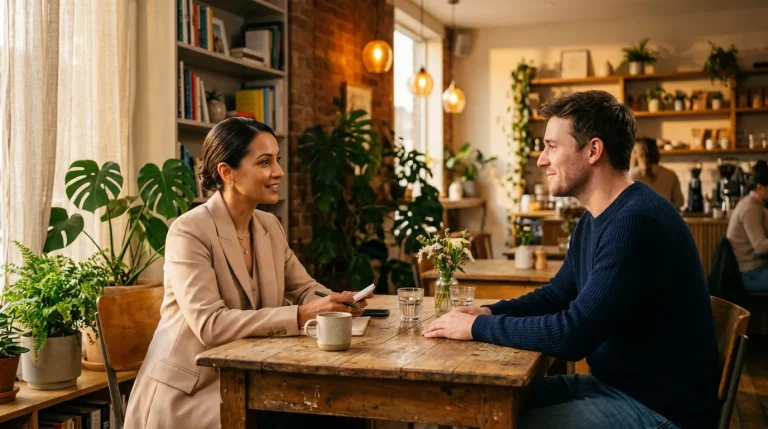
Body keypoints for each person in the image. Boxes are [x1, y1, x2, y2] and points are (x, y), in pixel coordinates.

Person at [423, 90, 720, 429]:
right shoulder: (597, 216)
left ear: (593, 150)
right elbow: (557, 295)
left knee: (494, 421)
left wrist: (477, 328)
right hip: (615, 388)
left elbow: (573, 334)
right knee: (468, 406)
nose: (541, 160)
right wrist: (489, 311)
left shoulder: (636, 221)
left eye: (552, 146)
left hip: (658, 408)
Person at [124, 118, 369, 429]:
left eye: (277, 159)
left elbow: (304, 288)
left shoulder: (268, 226)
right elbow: (210, 325)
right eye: (265, 162)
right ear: (227, 172)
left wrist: (336, 302)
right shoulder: (188, 231)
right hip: (193, 391)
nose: (278, 171)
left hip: (252, 377)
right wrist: (302, 314)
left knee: (343, 410)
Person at [726, 160, 768, 293]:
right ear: (760, 187)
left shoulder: (756, 204)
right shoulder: (751, 208)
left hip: (755, 270)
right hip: (751, 273)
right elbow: (760, 246)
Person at [630, 137, 685, 209]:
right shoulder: (670, 175)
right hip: (664, 218)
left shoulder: (630, 175)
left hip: (638, 219)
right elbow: (679, 202)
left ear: (636, 154)